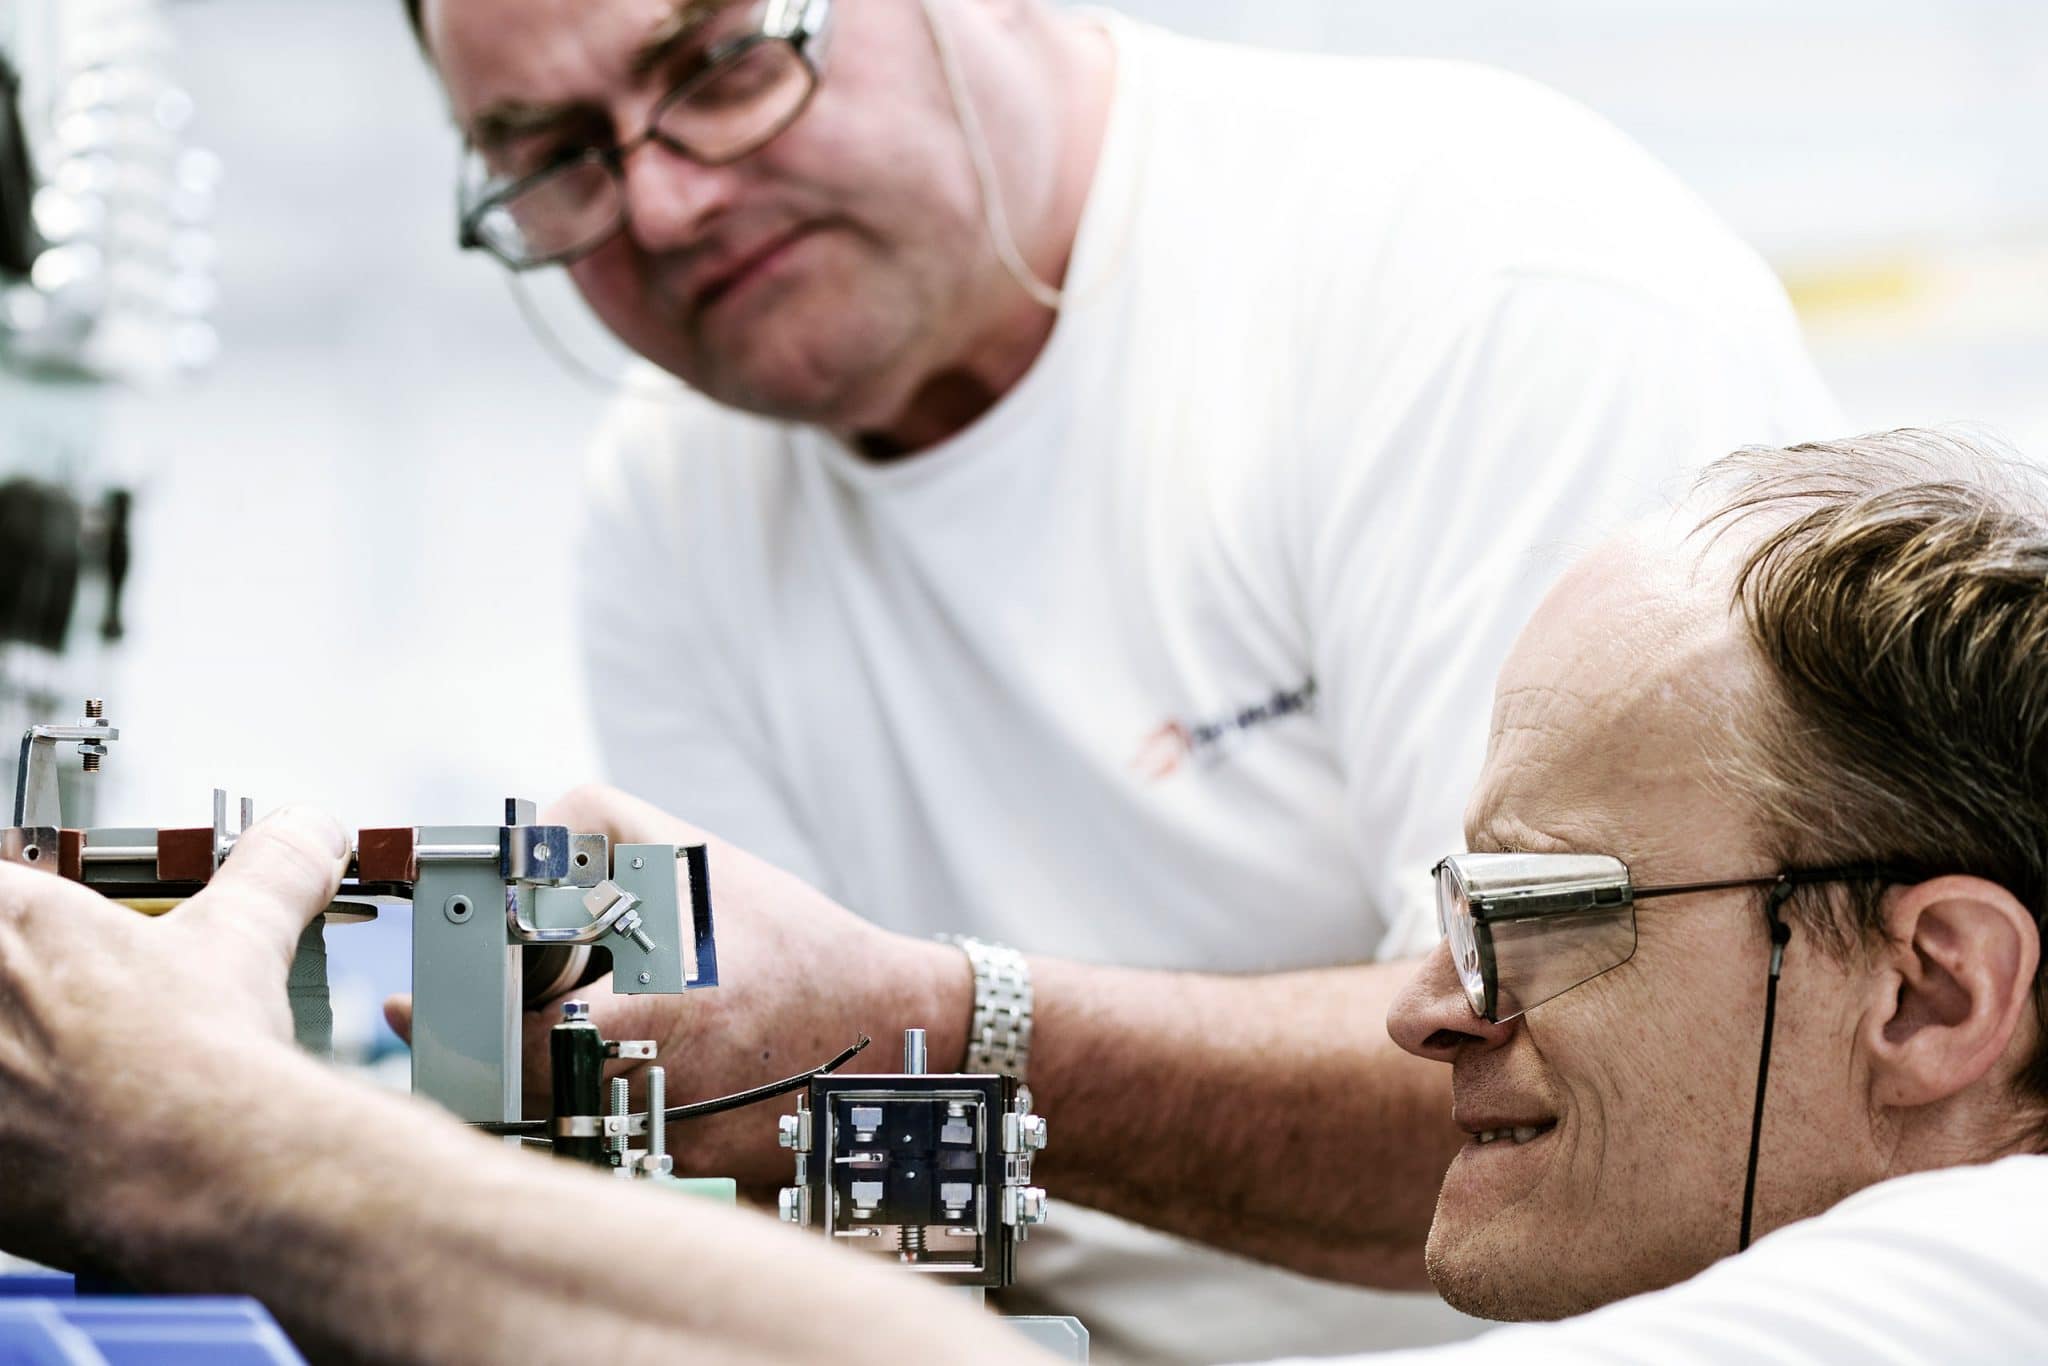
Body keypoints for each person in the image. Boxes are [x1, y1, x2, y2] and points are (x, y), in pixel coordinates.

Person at [400, 0, 1841, 1356]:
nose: (663, 204)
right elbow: (862, 1200)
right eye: (552, 159)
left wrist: (937, 1031)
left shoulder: (1488, 282)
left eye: (721, 60)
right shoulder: (671, 493)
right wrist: (656, 1110)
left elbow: (1614, 1102)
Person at [4, 430, 2044, 1364]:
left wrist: (210, 1131)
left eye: (1529, 908)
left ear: (1931, 987)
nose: (1422, 1005)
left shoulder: (1976, 1287)